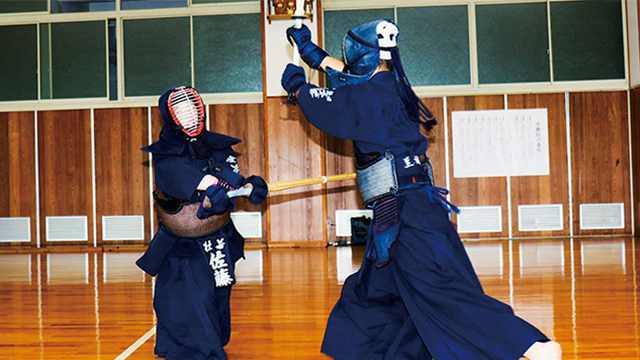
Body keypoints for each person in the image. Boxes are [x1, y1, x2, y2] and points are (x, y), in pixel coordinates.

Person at [281, 20, 562, 360]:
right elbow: (348, 79)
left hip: (405, 214)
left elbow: (331, 103)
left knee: (442, 291)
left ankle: (533, 347)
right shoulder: (390, 83)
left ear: (360, 56)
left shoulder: (371, 95)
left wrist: (297, 84)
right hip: (405, 208)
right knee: (372, 295)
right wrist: (311, 53)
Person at [135, 86, 268, 360]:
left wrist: (248, 186)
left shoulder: (217, 145)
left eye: (193, 108)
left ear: (201, 109)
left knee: (218, 292)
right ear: (171, 116)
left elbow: (228, 174)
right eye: (182, 110)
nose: (189, 115)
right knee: (181, 297)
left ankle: (209, 341)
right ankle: (195, 350)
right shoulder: (165, 154)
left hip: (218, 237)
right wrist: (208, 188)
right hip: (181, 244)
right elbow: (177, 177)